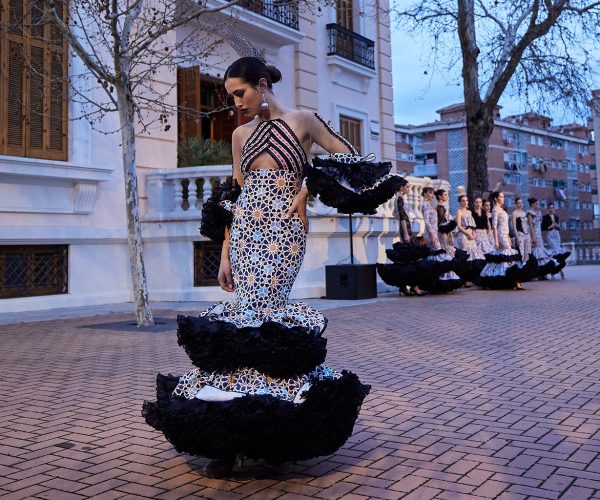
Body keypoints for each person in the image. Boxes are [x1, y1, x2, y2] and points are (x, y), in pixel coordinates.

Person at [143, 57, 371, 477]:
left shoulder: (302, 121)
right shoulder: (239, 134)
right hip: (246, 230)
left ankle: (271, 431)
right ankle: (230, 437)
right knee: (242, 318)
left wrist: (306, 191)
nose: (236, 104)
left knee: (266, 317)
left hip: (285, 232)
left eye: (240, 93)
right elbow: (234, 195)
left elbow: (351, 157)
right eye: (231, 96)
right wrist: (226, 252)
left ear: (262, 85)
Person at [479, 191, 529, 290]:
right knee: (507, 256)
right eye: (501, 197)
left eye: (503, 197)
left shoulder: (502, 209)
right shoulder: (495, 210)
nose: (503, 198)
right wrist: (496, 240)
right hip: (500, 235)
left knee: (507, 257)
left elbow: (506, 225)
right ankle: (514, 281)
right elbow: (494, 226)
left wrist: (509, 238)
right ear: (496, 199)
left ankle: (510, 280)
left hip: (506, 235)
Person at [418, 187, 462, 293]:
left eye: (433, 193)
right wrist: (432, 235)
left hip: (435, 232)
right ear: (424, 194)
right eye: (430, 193)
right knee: (438, 255)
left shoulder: (431, 205)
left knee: (437, 256)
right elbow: (427, 221)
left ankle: (440, 283)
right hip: (430, 234)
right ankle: (437, 283)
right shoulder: (424, 205)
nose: (432, 195)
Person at [454, 195, 486, 286]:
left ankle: (473, 278)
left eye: (466, 200)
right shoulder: (459, 212)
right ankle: (465, 280)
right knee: (466, 256)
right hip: (463, 236)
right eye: (463, 201)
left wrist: (473, 233)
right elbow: (459, 226)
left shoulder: (469, 212)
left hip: (471, 236)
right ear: (460, 202)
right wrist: (468, 234)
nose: (465, 202)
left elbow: (473, 225)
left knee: (475, 256)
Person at [528, 198, 560, 278]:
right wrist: (533, 236)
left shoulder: (539, 212)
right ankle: (535, 273)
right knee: (536, 253)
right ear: (532, 204)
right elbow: (531, 226)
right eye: (536, 204)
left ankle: (542, 272)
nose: (538, 205)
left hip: (540, 234)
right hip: (534, 234)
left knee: (541, 253)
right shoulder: (529, 213)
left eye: (538, 204)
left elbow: (541, 223)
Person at [542, 203, 569, 278]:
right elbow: (543, 228)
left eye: (552, 208)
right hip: (550, 235)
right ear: (548, 209)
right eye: (550, 208)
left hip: (556, 234)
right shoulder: (545, 217)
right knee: (554, 253)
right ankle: (556, 271)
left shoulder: (556, 217)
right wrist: (551, 226)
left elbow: (558, 227)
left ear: (554, 209)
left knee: (558, 252)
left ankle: (559, 270)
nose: (551, 209)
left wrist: (557, 226)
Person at [435, 189, 456, 257]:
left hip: (444, 230)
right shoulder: (440, 207)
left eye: (447, 195)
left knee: (448, 248)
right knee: (446, 248)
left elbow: (447, 222)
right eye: (445, 195)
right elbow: (444, 222)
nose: (447, 196)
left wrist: (451, 235)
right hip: (442, 231)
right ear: (440, 196)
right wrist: (451, 235)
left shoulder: (444, 206)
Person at [511, 198, 532, 264]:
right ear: (516, 204)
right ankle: (522, 268)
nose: (520, 204)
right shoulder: (514, 213)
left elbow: (527, 225)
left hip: (527, 234)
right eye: (519, 203)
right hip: (520, 234)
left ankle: (527, 268)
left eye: (521, 202)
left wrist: (530, 236)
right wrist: (517, 238)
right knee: (521, 252)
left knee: (528, 252)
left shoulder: (525, 213)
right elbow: (514, 226)